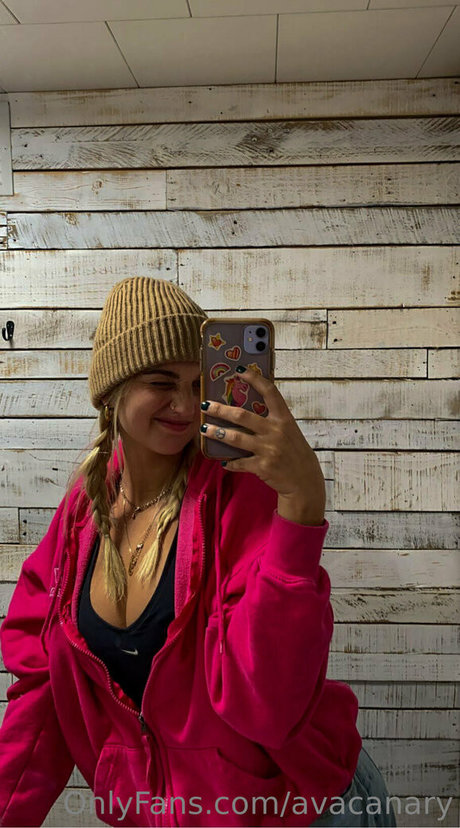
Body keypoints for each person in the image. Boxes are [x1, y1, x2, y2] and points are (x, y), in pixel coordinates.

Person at [0, 277, 397, 828]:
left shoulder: (243, 492)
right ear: (112, 390)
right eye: (161, 382)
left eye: (198, 382)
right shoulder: (82, 513)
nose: (186, 405)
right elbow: (43, 687)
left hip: (300, 810)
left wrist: (303, 505)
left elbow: (269, 708)